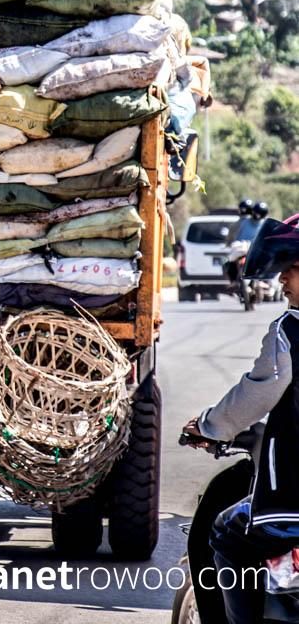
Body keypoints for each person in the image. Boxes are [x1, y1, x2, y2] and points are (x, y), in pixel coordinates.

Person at [182, 214, 299, 624]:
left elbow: (259, 391)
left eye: (291, 268)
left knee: (227, 533)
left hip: (291, 508)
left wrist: (209, 426)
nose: (282, 279)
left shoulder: (289, 331)